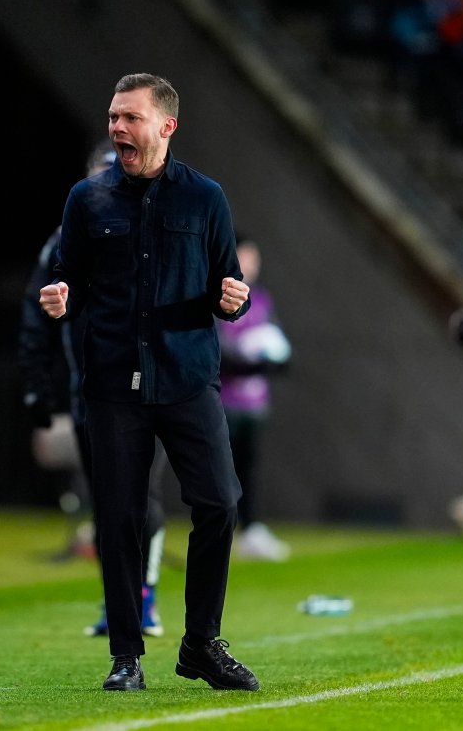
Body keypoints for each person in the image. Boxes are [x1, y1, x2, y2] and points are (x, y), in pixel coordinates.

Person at [39, 73, 259, 692]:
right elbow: (70, 278)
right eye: (113, 117)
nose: (117, 129)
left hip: (188, 377)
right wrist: (62, 297)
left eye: (130, 118)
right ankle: (126, 657)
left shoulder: (206, 198)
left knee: (221, 501)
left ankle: (201, 645)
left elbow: (229, 283)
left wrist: (233, 300)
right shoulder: (86, 199)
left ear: (166, 126)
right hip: (112, 382)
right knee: (119, 520)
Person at [17, 140, 166, 638]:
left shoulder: (158, 230)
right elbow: (37, 316)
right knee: (109, 500)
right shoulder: (64, 241)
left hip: (154, 389)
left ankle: (143, 599)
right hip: (92, 394)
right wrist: (39, 387)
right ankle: (120, 605)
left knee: (140, 496)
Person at [216, 235, 292, 561]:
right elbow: (219, 351)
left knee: (248, 467)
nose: (250, 264)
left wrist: (268, 359)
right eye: (244, 257)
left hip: (254, 403)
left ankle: (251, 528)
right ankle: (223, 529)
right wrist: (252, 361)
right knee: (221, 469)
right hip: (224, 401)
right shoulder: (218, 297)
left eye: (253, 258)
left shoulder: (261, 299)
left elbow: (282, 354)